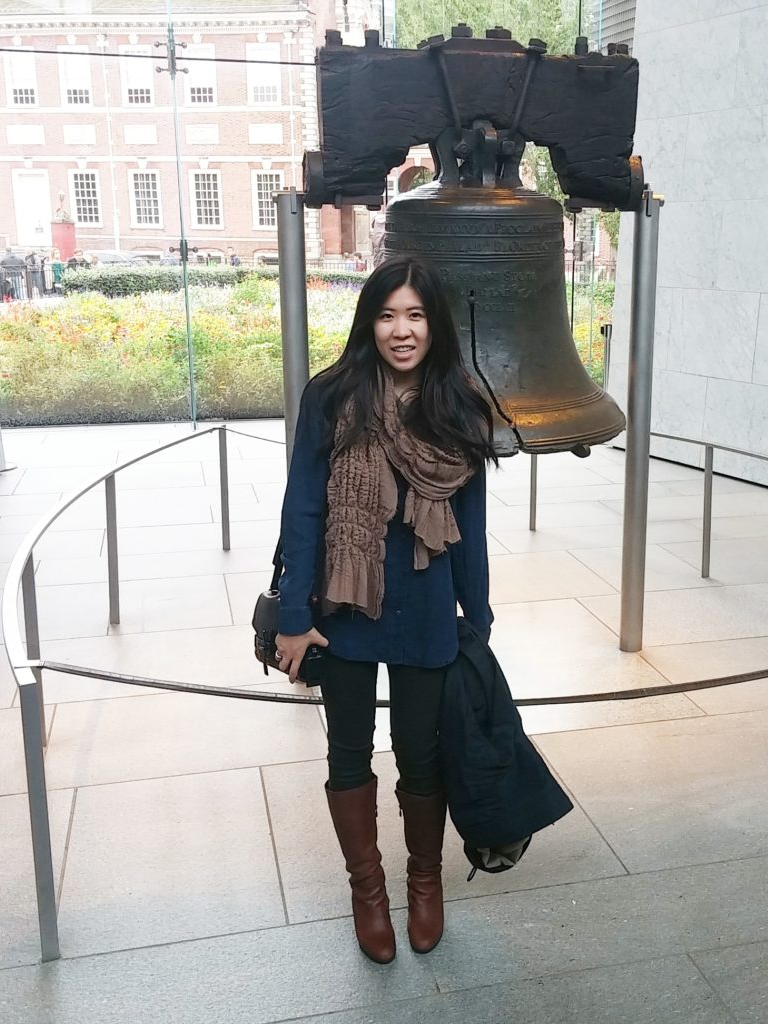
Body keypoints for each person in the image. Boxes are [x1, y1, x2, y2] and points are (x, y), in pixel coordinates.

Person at [275, 257, 497, 964]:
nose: (402, 331)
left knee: (420, 750)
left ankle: (423, 880)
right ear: (369, 321)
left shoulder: (459, 402)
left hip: (426, 600)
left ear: (435, 324)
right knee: (347, 749)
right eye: (388, 314)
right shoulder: (332, 396)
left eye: (416, 315)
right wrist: (289, 612)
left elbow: (473, 521)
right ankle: (366, 889)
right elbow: (304, 506)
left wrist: (480, 620)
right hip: (343, 602)